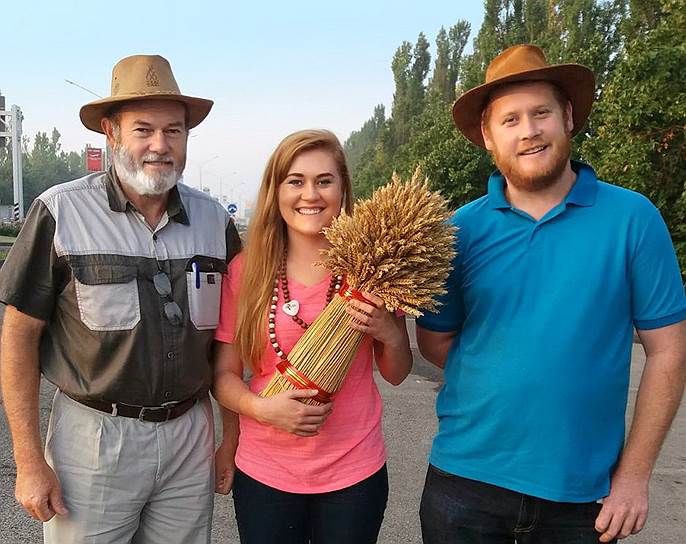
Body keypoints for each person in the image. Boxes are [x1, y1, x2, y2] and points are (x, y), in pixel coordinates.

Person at [416, 44, 686, 544]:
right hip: (464, 486)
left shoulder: (633, 219)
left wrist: (634, 476)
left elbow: (669, 350)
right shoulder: (456, 231)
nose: (529, 130)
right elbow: (435, 341)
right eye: (511, 119)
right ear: (488, 137)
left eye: (541, 113)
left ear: (567, 117)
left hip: (583, 497)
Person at [0, 54, 241, 543]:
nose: (160, 145)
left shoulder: (215, 222)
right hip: (93, 439)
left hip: (189, 438)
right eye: (143, 130)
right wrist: (28, 461)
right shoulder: (60, 213)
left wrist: (229, 437)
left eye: (174, 131)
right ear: (110, 132)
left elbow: (230, 340)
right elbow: (19, 335)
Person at [212, 129, 413, 543]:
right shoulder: (246, 271)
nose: (310, 194)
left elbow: (396, 373)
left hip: (354, 471)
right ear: (276, 190)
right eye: (296, 181)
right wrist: (261, 408)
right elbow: (224, 376)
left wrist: (389, 333)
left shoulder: (371, 269)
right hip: (265, 470)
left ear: (342, 189)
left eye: (324, 181)